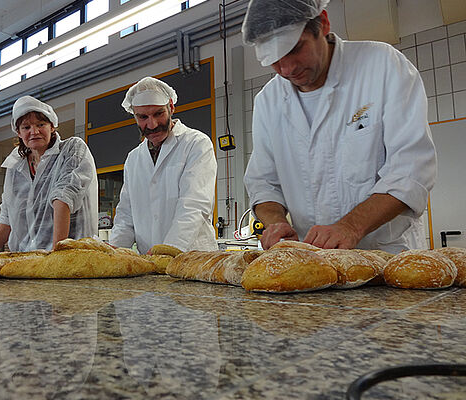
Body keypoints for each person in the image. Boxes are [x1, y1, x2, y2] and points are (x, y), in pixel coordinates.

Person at [242, 0, 437, 253]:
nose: (288, 68)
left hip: (387, 257)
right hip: (311, 263)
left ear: (322, 23)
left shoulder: (382, 66)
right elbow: (263, 183)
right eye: (275, 61)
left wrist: (351, 227)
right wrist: (276, 223)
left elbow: (411, 169)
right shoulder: (268, 101)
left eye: (295, 49)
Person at [109, 77, 218, 254]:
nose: (151, 124)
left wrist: (169, 249)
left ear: (171, 107)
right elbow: (126, 215)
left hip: (191, 256)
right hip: (150, 260)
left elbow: (194, 205)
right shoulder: (134, 158)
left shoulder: (196, 143)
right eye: (143, 117)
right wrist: (115, 249)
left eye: (158, 114)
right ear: (134, 116)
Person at [0, 95, 98, 252]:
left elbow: (63, 197)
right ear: (18, 133)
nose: (34, 132)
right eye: (26, 127)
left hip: (71, 255)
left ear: (52, 127)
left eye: (41, 124)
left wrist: (56, 255)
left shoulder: (72, 149)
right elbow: (7, 217)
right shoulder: (16, 166)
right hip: (25, 259)